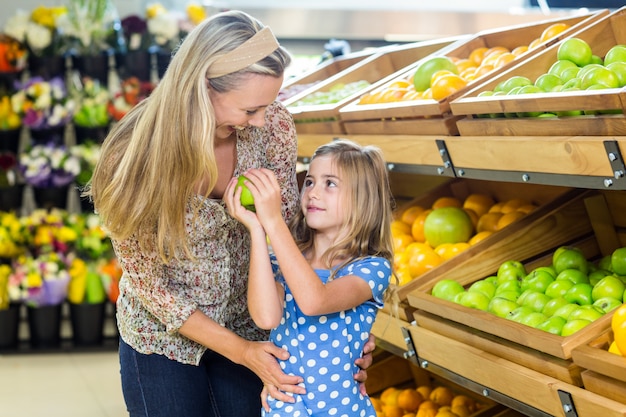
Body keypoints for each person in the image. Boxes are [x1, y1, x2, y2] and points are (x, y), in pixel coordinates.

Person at [86, 10, 374, 417]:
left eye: (267, 106)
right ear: (202, 88)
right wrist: (241, 352)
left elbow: (293, 233)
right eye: (249, 109)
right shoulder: (134, 157)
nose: (260, 121)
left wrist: (341, 326)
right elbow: (151, 288)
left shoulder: (272, 123)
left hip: (256, 324)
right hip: (164, 339)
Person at [225, 139, 395, 416]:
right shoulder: (282, 260)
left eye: (330, 183)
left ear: (363, 198)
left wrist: (274, 222)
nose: (313, 192)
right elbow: (266, 318)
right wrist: (257, 229)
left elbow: (315, 301)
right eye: (310, 182)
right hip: (285, 409)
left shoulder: (371, 268)